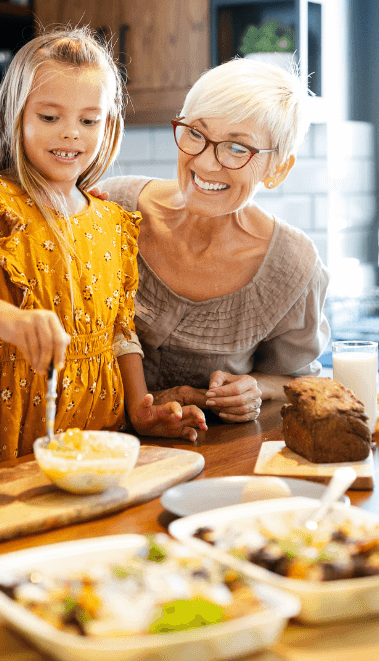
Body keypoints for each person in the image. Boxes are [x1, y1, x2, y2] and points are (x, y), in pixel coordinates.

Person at [0, 27, 207, 463]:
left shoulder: (114, 222)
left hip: (103, 433)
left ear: (108, 124)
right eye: (49, 117)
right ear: (16, 116)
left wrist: (142, 410)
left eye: (88, 120)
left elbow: (121, 333)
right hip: (12, 430)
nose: (71, 135)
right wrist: (7, 321)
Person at [98, 57, 330, 424]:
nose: (206, 164)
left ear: (278, 169)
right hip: (83, 450)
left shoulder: (291, 266)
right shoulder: (111, 208)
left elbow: (296, 380)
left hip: (208, 461)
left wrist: (254, 387)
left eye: (238, 148)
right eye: (195, 133)